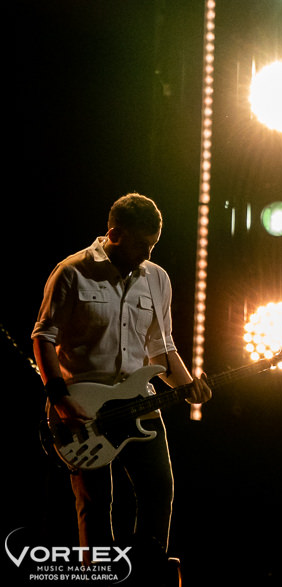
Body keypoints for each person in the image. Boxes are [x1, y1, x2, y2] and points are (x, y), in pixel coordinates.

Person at [32, 193, 211, 580]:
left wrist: (188, 385)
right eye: (141, 245)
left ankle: (148, 573)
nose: (147, 255)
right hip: (82, 406)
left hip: (138, 403)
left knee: (160, 488)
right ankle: (100, 576)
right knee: (96, 503)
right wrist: (61, 402)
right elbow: (43, 337)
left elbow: (161, 349)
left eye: (153, 246)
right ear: (114, 234)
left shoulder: (157, 278)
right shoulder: (72, 271)